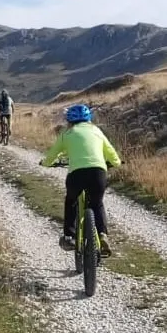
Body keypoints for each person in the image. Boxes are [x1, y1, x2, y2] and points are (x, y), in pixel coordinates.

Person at [40, 103, 122, 256]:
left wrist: (46, 163)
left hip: (77, 174)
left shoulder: (67, 133)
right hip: (98, 172)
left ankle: (69, 236)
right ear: (89, 119)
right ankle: (103, 235)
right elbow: (111, 152)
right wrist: (115, 162)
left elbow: (53, 154)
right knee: (97, 203)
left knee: (71, 201)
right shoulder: (97, 131)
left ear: (69, 121)